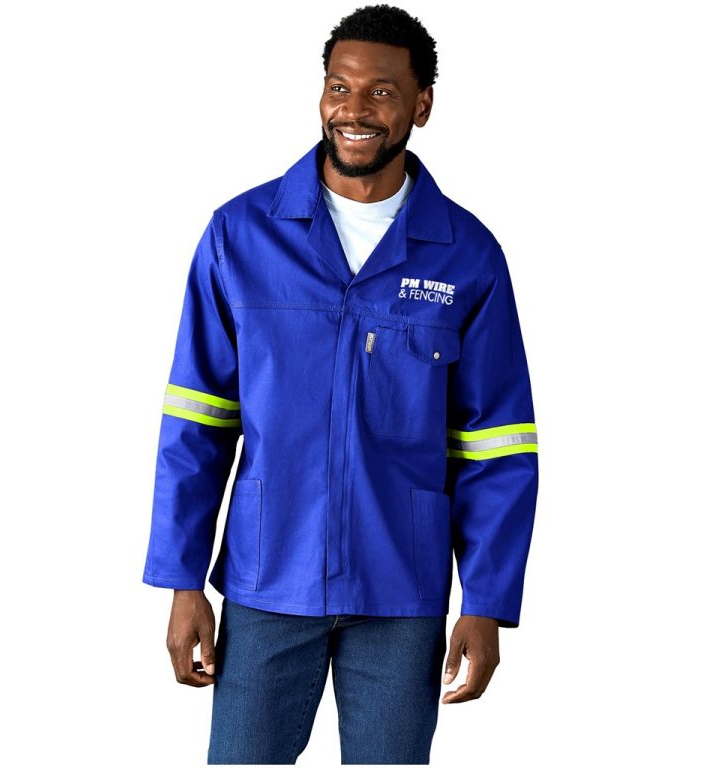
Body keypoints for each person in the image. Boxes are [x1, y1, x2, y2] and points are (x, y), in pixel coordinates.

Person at [141, 4, 539, 764]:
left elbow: (498, 444)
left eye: (382, 92)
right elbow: (195, 423)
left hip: (402, 590)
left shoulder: (467, 255)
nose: (354, 109)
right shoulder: (241, 235)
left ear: (422, 104)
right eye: (339, 87)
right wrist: (182, 578)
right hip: (267, 579)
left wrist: (487, 600)